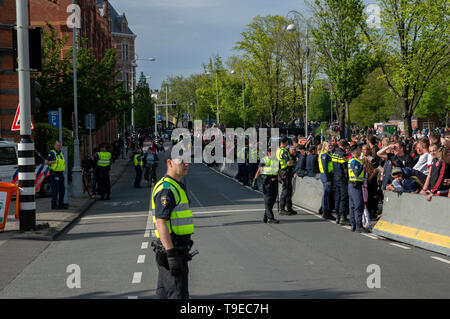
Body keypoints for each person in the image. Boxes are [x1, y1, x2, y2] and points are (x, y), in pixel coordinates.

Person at [151, 154, 194, 299]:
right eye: (182, 161)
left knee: (164, 294)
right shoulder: (167, 189)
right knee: (178, 295)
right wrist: (171, 254)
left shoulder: (175, 186)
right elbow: (161, 221)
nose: (186, 164)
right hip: (172, 250)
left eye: (188, 160)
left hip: (174, 249)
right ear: (169, 163)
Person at [253, 147, 280, 224]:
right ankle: (270, 218)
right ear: (268, 153)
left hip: (274, 181)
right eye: (272, 152)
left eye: (274, 152)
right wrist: (255, 180)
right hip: (266, 181)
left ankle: (266, 216)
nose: (274, 153)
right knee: (267, 200)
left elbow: (278, 170)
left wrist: (282, 178)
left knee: (273, 200)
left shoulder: (276, 160)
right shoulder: (264, 160)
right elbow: (259, 170)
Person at [348, 144, 369, 233]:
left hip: (353, 185)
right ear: (355, 151)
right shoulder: (354, 161)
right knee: (358, 206)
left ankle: (353, 224)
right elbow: (357, 172)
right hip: (355, 186)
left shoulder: (354, 160)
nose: (360, 151)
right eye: (359, 149)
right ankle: (358, 225)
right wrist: (362, 165)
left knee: (353, 206)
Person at [276, 136, 297, 215]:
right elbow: (288, 162)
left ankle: (289, 207)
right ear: (284, 143)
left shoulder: (278, 150)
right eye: (287, 142)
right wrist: (293, 160)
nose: (288, 143)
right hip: (285, 171)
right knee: (285, 191)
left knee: (288, 190)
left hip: (282, 171)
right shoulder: (284, 151)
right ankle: (282, 208)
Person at [45, 141, 67, 209]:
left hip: (61, 173)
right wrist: (53, 162)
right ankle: (54, 206)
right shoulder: (52, 153)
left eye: (60, 145)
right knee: (55, 190)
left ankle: (61, 204)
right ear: (55, 146)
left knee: (62, 190)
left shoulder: (60, 153)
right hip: (54, 174)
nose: (58, 147)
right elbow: (46, 162)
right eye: (57, 145)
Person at [332, 139, 350, 225]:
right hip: (342, 178)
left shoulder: (334, 153)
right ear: (346, 146)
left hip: (335, 177)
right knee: (343, 198)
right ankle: (343, 217)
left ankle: (338, 217)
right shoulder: (343, 155)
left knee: (337, 198)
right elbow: (345, 169)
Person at [319, 141, 335, 220]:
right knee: (327, 194)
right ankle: (326, 212)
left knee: (327, 194)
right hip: (326, 175)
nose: (330, 146)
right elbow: (325, 168)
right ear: (324, 147)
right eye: (329, 145)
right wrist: (327, 179)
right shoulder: (324, 155)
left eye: (331, 145)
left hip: (329, 175)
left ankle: (325, 210)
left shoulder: (328, 154)